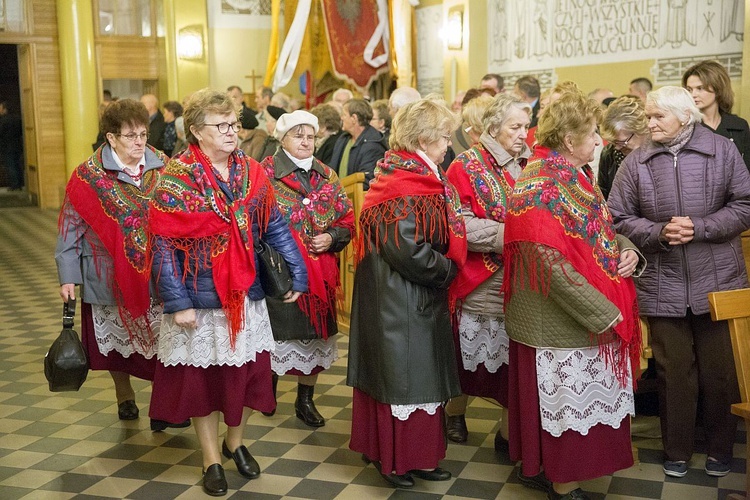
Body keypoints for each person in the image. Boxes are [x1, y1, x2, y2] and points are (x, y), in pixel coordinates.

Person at [147, 88, 308, 496]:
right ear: (197, 131)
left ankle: (234, 443)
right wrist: (178, 302)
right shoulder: (176, 177)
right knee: (204, 383)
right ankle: (210, 459)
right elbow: (162, 245)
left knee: (247, 376)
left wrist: (297, 271)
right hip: (199, 296)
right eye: (222, 125)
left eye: (233, 123)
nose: (232, 131)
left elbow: (274, 226)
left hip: (246, 292)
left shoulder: (253, 171)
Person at [503, 90, 644, 500]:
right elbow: (548, 262)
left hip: (580, 316)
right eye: (592, 133)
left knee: (579, 412)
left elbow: (599, 230)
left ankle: (567, 476)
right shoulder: (539, 183)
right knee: (565, 411)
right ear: (569, 139)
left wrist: (629, 251)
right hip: (558, 324)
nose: (599, 141)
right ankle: (563, 486)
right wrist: (604, 313)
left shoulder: (574, 175)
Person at [608, 85, 750, 480]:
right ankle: (678, 451)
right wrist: (657, 232)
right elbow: (616, 217)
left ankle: (721, 449)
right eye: (648, 117)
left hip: (718, 280)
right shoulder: (636, 162)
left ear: (685, 117)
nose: (649, 124)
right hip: (662, 281)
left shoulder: (722, 150)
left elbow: (745, 204)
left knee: (720, 371)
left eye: (658, 117)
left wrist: (700, 227)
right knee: (674, 373)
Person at [347, 96, 467, 489]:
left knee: (420, 381)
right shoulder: (402, 181)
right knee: (403, 383)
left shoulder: (413, 172)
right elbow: (406, 249)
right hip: (399, 299)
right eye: (444, 136)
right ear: (422, 138)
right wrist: (450, 270)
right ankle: (395, 460)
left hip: (410, 295)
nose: (448, 144)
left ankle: (421, 457)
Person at [55, 99, 180, 431]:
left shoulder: (163, 165)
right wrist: (68, 277)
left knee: (162, 342)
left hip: (157, 275)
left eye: (143, 133)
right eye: (130, 136)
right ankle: (124, 395)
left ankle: (162, 404)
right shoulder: (87, 176)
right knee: (117, 348)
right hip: (106, 276)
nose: (140, 142)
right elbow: (70, 228)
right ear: (111, 137)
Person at [444, 94, 532, 456]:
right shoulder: (465, 166)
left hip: (525, 280)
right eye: (515, 127)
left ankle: (506, 435)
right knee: (468, 360)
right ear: (493, 128)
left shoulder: (532, 165)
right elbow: (458, 222)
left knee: (514, 362)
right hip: (482, 278)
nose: (523, 134)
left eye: (526, 126)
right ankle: (454, 413)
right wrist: (510, 234)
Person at [259, 110, 355, 427]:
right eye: (298, 135)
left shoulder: (327, 175)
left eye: (310, 136)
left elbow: (347, 221)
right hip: (280, 272)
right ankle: (267, 394)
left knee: (315, 340)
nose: (305, 141)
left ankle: (305, 400)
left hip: (321, 274)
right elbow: (252, 222)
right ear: (282, 138)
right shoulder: (265, 174)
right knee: (276, 337)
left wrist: (332, 237)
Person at [682, 60, 750, 168]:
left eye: (700, 88)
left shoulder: (739, 125)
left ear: (718, 88)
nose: (693, 95)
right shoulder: (685, 126)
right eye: (689, 90)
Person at [597, 96, 649, 200]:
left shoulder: (660, 153)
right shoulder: (608, 154)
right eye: (613, 142)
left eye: (621, 141)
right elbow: (604, 195)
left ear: (641, 130)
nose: (616, 147)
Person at [329, 99, 386, 188]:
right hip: (339, 196)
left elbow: (366, 181)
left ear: (354, 118)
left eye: (344, 114)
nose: (341, 118)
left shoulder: (373, 144)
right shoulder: (343, 139)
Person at [0, 101, 24, 190]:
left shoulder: (3, 120)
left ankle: (14, 185)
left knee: (10, 165)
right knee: (17, 164)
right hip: (17, 145)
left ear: (5, 109)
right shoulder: (18, 118)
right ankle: (20, 183)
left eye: (0, 108)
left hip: (7, 147)